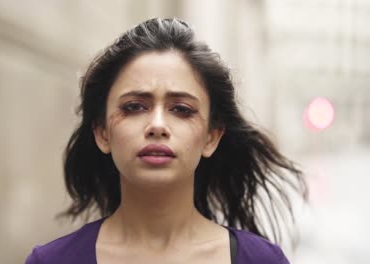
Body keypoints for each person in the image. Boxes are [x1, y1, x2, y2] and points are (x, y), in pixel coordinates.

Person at [25, 18, 307, 264]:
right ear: (101, 133)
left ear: (211, 137)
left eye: (182, 109)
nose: (157, 125)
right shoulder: (51, 261)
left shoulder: (260, 260)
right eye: (134, 106)